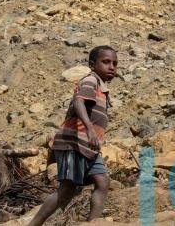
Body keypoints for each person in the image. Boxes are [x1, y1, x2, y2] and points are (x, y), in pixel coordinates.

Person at [29, 46, 118, 226]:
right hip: (74, 144)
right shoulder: (90, 81)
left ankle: (93, 222)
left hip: (89, 148)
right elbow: (78, 101)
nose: (112, 67)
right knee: (67, 189)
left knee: (102, 181)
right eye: (106, 62)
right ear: (92, 65)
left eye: (115, 63)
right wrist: (90, 129)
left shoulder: (101, 87)